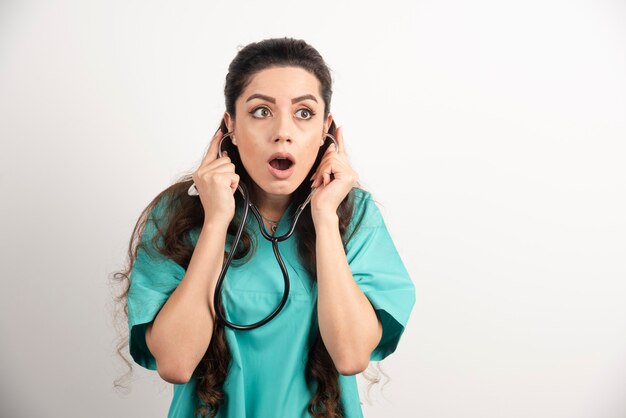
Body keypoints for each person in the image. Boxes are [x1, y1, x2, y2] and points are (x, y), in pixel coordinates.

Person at [116, 37, 416, 418]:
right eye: (261, 111)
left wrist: (325, 219)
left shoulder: (353, 217)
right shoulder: (179, 212)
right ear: (231, 128)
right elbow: (175, 363)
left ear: (327, 130)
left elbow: (351, 356)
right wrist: (216, 221)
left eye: (304, 113)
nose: (283, 132)